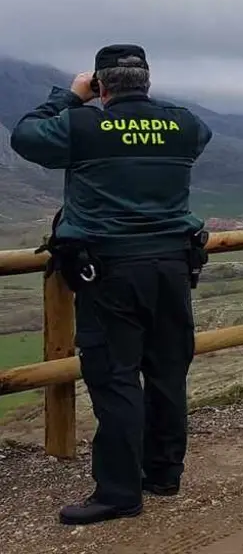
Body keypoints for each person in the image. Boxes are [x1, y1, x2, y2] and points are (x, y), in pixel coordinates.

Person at [9, 44, 213, 526]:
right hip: (172, 268)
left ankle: (120, 492)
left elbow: (25, 138)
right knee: (167, 371)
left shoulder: (81, 124)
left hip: (110, 272)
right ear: (148, 82)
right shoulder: (184, 124)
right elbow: (195, 139)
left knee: (116, 377)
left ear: (100, 86)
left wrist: (68, 97)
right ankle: (164, 475)